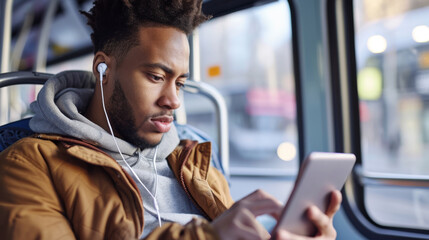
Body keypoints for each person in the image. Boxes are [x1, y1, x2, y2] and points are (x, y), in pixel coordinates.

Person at [0, 0, 341, 239]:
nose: (173, 100)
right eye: (155, 76)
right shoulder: (29, 164)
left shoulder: (194, 158)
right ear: (103, 69)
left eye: (179, 82)